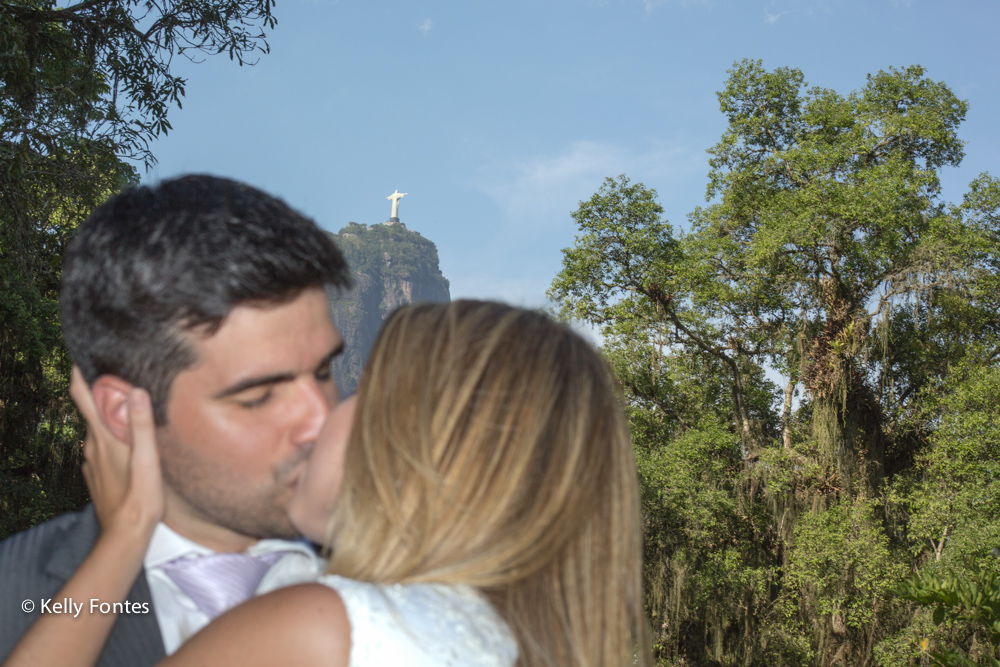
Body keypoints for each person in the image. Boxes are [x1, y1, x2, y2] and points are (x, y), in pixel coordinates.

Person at [4, 300, 653, 666]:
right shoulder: (498, 641)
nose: (314, 419)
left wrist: (123, 534)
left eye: (358, 391)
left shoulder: (322, 629)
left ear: (409, 440)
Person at [0, 175, 352, 666]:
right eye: (258, 396)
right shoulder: (14, 593)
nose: (322, 419)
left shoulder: (419, 567)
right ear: (125, 414)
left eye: (322, 371)